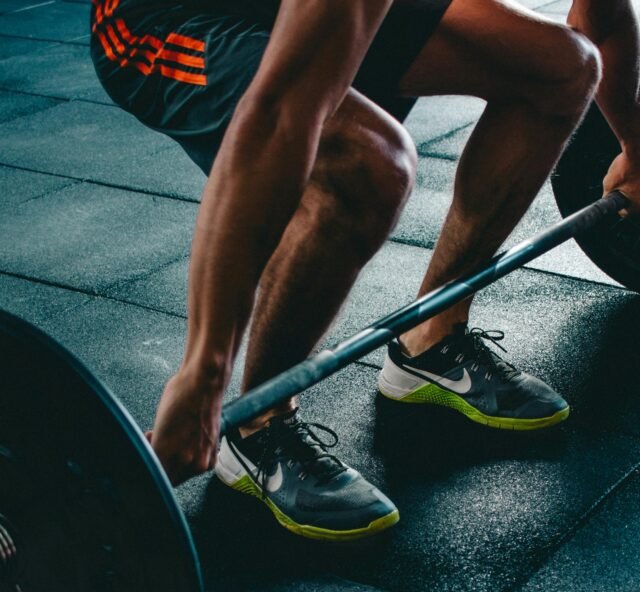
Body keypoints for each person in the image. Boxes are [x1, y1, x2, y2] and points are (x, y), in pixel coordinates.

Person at [91, 0, 640, 541]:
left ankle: (432, 339)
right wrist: (203, 374)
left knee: (563, 67)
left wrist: (636, 147)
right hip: (168, 17)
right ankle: (257, 428)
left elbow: (605, 20)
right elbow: (281, 112)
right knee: (369, 163)